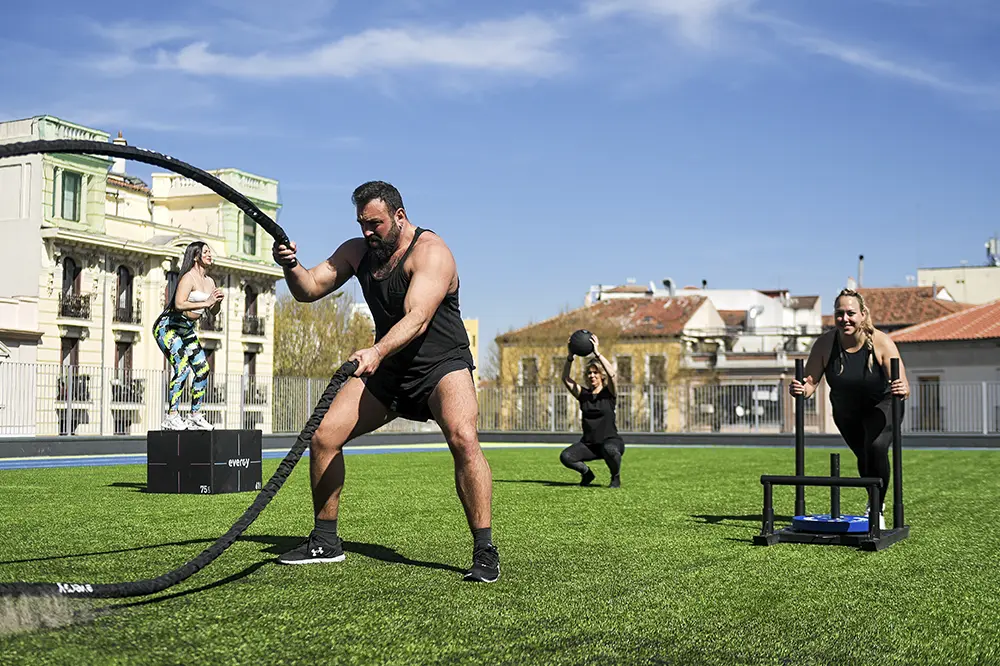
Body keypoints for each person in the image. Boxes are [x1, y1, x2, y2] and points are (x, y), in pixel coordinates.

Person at [271, 180, 499, 583]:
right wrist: (289, 264)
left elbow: (418, 318)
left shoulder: (432, 253)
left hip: (441, 366)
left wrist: (376, 351)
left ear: (399, 215)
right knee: (324, 437)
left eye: (374, 224)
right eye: (361, 224)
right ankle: (325, 541)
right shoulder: (358, 252)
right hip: (390, 370)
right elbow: (308, 289)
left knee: (464, 437)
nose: (367, 232)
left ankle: (484, 550)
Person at [789, 288, 910, 528]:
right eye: (839, 314)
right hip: (847, 411)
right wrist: (801, 389)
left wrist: (903, 388)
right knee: (864, 456)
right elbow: (811, 382)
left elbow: (902, 383)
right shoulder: (825, 344)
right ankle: (873, 501)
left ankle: (876, 507)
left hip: (882, 405)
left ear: (863, 314)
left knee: (875, 447)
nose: (845, 319)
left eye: (851, 313)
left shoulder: (880, 342)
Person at [153, 241, 224, 431]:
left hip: (185, 329)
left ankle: (194, 415)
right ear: (195, 256)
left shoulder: (209, 282)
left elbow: (213, 311)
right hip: (168, 327)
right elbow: (179, 304)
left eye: (210, 252)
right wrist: (207, 301)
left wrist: (215, 302)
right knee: (183, 367)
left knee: (202, 369)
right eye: (206, 252)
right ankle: (172, 416)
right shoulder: (188, 278)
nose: (210, 255)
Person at [559, 333, 625, 488]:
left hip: (610, 442)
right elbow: (566, 379)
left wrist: (597, 353)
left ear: (601, 376)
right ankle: (587, 474)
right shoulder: (583, 395)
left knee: (610, 450)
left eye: (595, 373)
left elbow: (613, 375)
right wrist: (570, 356)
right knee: (566, 456)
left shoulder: (609, 394)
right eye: (589, 373)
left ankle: (615, 477)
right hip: (589, 445)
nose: (592, 375)